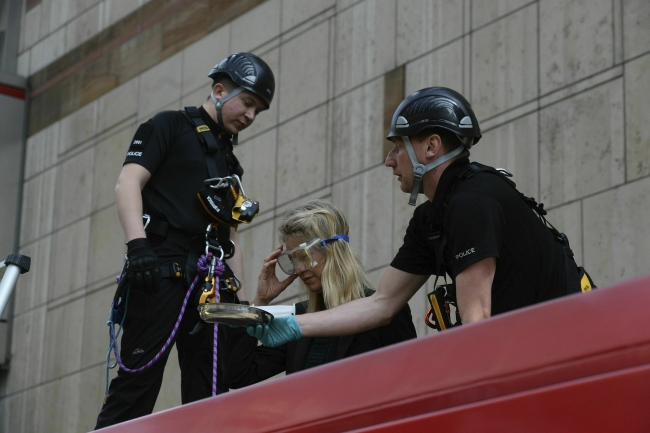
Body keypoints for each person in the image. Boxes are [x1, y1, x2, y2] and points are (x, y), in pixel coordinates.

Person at [247, 86, 586, 347]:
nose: (389, 160)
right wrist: (291, 323)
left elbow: (477, 320)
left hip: (567, 348)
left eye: (397, 147)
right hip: (533, 348)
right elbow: (381, 304)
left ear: (430, 147)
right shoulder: (432, 218)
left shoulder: (474, 201)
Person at [95, 52, 275, 428]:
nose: (251, 115)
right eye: (248, 102)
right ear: (220, 89)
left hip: (208, 281)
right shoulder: (168, 126)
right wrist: (138, 246)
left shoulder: (229, 163)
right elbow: (128, 182)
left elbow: (231, 234)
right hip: (159, 268)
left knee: (208, 391)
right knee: (138, 384)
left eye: (258, 110)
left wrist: (239, 300)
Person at [224, 200, 416, 387]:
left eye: (304, 256)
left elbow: (409, 380)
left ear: (333, 251)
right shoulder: (296, 319)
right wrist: (260, 302)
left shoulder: (383, 312)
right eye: (291, 261)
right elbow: (238, 375)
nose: (298, 269)